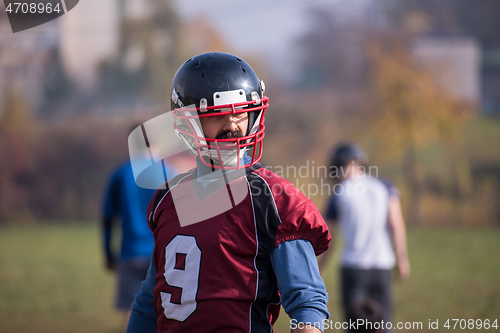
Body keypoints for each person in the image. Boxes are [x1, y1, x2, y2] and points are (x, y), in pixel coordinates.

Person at [126, 52, 331, 333]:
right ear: (188, 123)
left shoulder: (273, 199)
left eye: (241, 112)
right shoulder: (167, 199)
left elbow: (307, 304)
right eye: (218, 114)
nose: (233, 125)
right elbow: (150, 303)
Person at [319, 144, 410, 332]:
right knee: (383, 324)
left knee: (356, 326)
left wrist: (320, 269)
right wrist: (402, 259)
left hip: (354, 267)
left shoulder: (339, 193)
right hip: (382, 264)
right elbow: (396, 224)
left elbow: (329, 239)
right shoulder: (385, 186)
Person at [102, 146, 176, 329]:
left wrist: (108, 253)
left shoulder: (120, 174)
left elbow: (107, 217)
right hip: (162, 254)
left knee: (133, 309)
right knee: (166, 310)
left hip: (131, 252)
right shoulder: (168, 172)